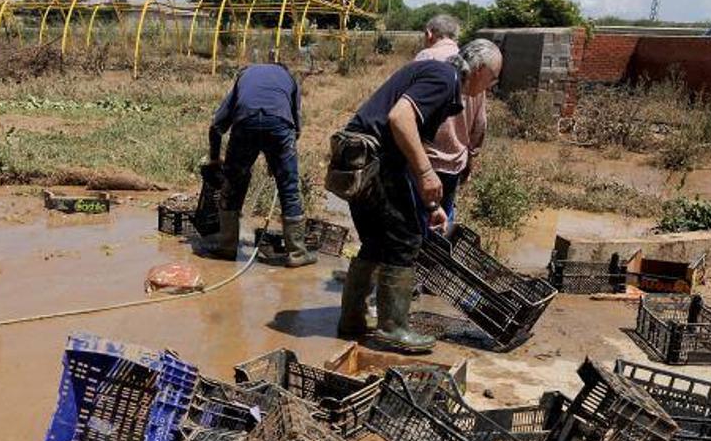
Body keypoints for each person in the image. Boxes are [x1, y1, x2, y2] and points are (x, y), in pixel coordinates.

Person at [334, 39, 502, 351]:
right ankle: (393, 327)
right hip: (375, 161)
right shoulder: (445, 79)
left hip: (358, 159)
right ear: (478, 71)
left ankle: (353, 319)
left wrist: (431, 204)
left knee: (376, 241)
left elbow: (407, 146)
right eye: (493, 79)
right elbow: (400, 119)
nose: (491, 86)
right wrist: (427, 173)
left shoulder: (437, 75)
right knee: (406, 239)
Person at [207, 61, 315, 268]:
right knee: (289, 188)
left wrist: (214, 158)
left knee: (233, 183)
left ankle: (227, 246)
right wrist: (277, 162)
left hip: (245, 123)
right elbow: (296, 126)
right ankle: (297, 252)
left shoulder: (245, 76)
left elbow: (216, 125)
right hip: (280, 126)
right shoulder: (290, 78)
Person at [413, 14, 489, 224]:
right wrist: (470, 157)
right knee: (443, 221)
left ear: (429, 34)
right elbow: (480, 123)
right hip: (456, 162)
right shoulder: (473, 66)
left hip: (423, 161)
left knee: (415, 221)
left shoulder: (425, 58)